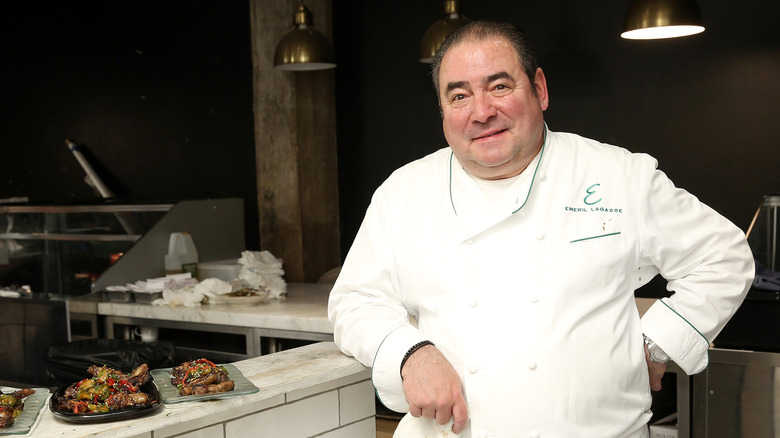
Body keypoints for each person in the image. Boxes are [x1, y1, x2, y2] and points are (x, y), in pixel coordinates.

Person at [328, 21, 753, 437]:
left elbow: (724, 257)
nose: (481, 112)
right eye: (459, 95)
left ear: (540, 89)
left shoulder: (618, 175)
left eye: (499, 86)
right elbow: (356, 300)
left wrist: (660, 340)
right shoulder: (404, 192)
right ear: (442, 110)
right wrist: (411, 353)